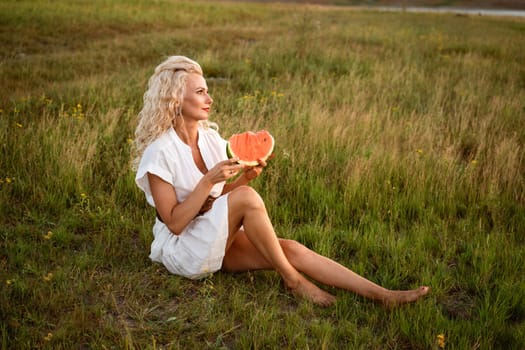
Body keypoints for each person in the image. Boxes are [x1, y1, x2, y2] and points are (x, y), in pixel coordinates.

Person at [133, 55, 429, 307]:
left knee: (290, 247)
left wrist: (244, 178)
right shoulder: (160, 153)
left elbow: (219, 202)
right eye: (200, 92)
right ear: (175, 98)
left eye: (207, 91)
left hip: (209, 234)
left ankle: (382, 295)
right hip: (184, 249)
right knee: (248, 198)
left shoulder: (211, 140)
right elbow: (174, 222)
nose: (210, 99)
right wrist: (208, 181)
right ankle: (293, 280)